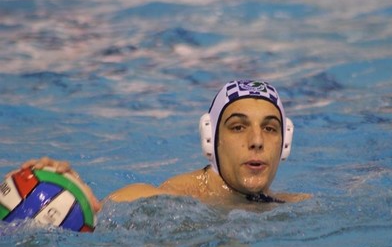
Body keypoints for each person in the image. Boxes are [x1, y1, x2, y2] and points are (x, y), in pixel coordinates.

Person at [14, 80, 310, 212]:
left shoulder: (297, 206)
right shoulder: (176, 199)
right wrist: (75, 195)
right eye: (238, 127)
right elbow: (101, 214)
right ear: (211, 140)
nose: (257, 141)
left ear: (285, 143)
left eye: (270, 129)